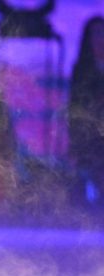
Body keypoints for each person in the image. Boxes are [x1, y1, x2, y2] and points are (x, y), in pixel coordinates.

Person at [68, 16, 104, 206]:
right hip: (89, 136)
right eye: (96, 33)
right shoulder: (82, 70)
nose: (101, 38)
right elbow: (76, 106)